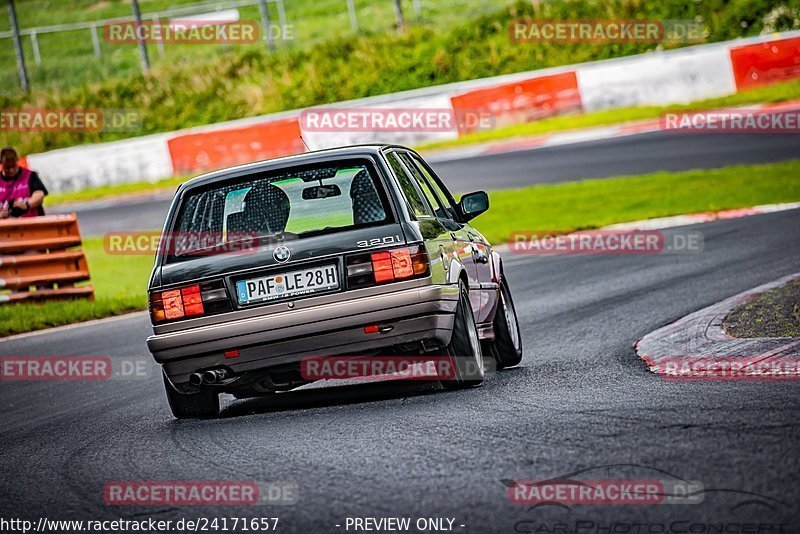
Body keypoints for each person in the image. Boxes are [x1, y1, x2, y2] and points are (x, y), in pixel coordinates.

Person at [0, 146, 48, 219]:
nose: (11, 170)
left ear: (17, 160)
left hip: (32, 223)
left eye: (13, 166)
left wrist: (27, 204)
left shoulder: (30, 175)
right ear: (1, 164)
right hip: (6, 227)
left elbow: (40, 194)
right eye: (8, 167)